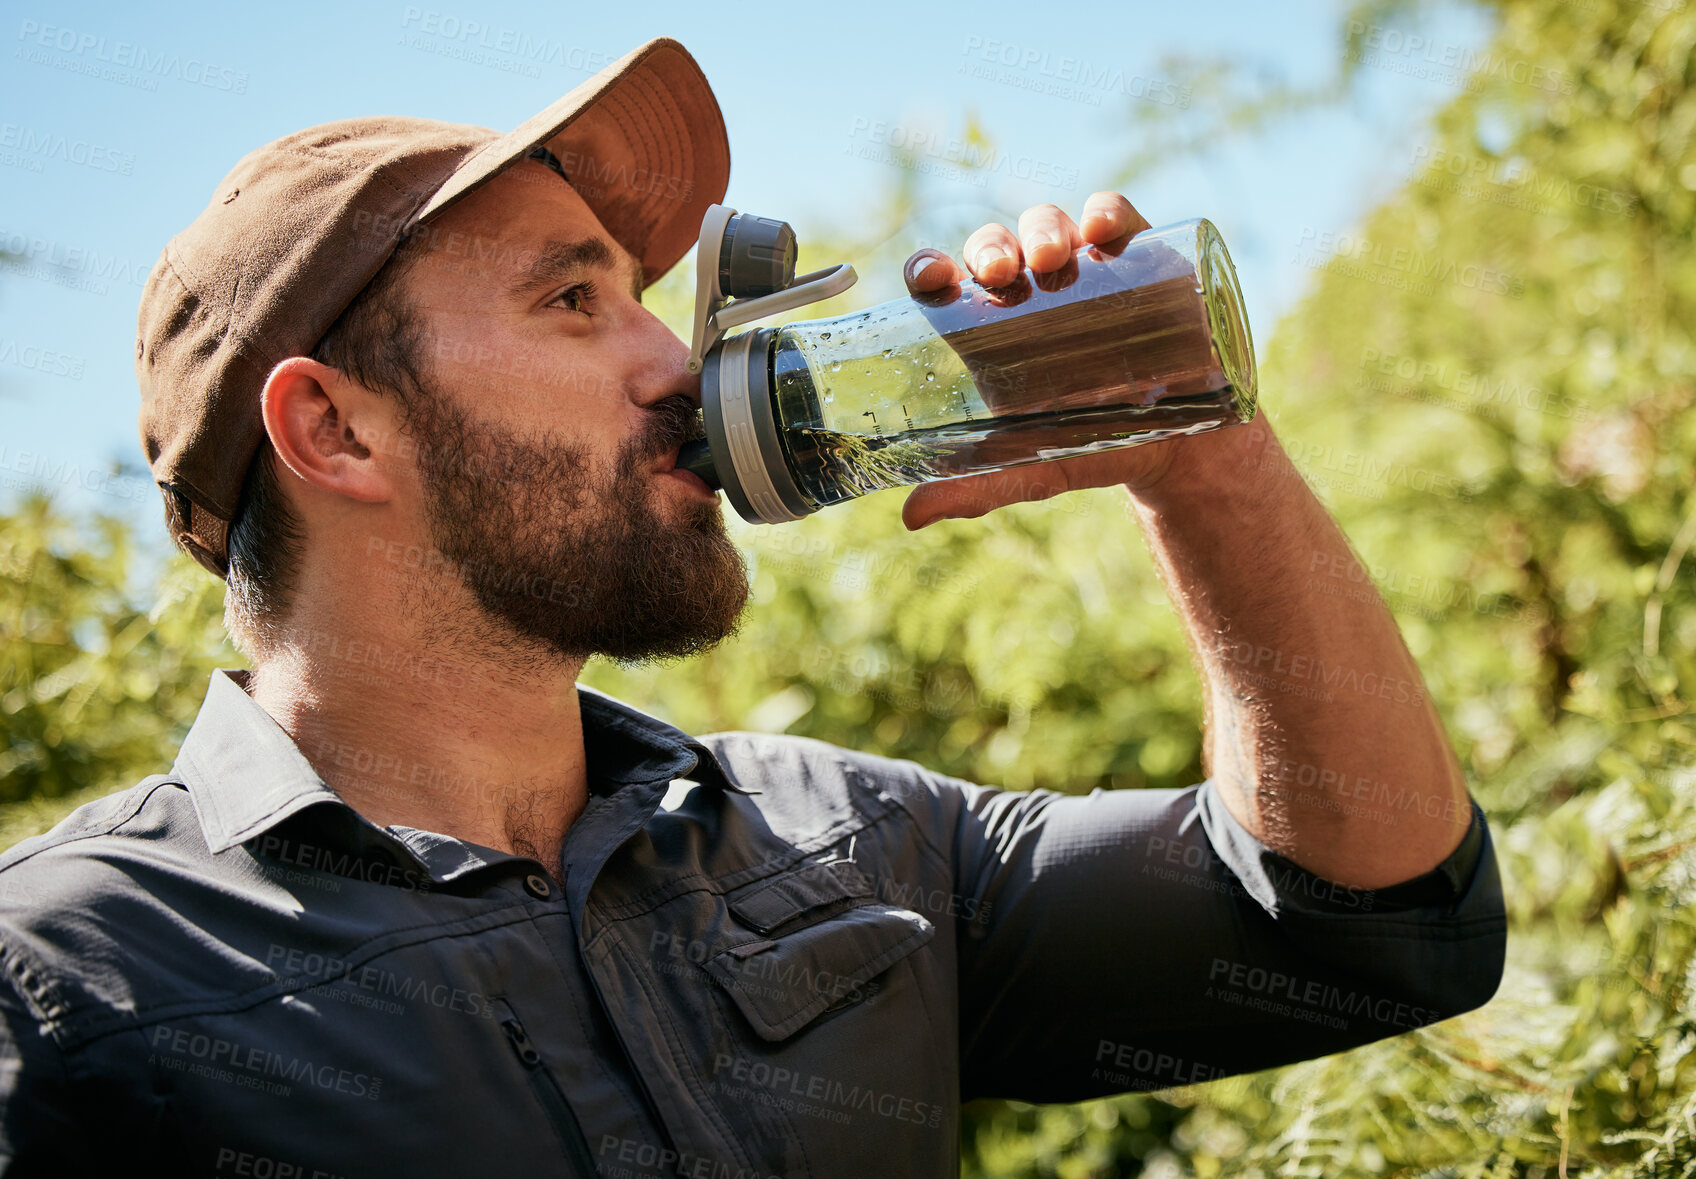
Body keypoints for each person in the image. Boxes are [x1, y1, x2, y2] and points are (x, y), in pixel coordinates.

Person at [0, 36, 1504, 1178]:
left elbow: (1361, 924)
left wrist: (1204, 468)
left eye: (646, 298)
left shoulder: (853, 841)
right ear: (335, 430)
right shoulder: (72, 982)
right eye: (573, 301)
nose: (669, 362)